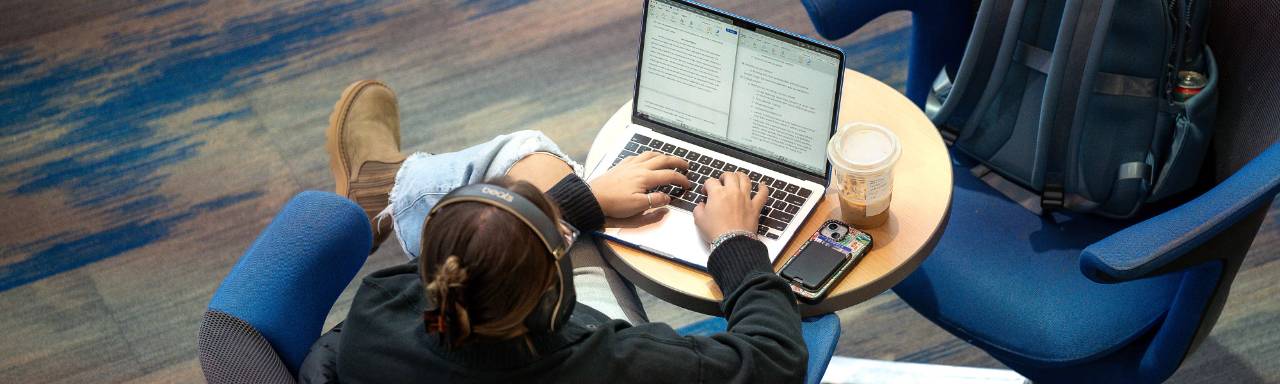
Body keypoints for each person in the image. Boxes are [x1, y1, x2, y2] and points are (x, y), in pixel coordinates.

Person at [299, 80, 806, 383]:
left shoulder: (381, 311)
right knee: (531, 152)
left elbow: (474, 275)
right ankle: (392, 185)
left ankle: (384, 186)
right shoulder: (606, 363)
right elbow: (773, 361)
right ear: (556, 293)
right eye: (559, 238)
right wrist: (735, 242)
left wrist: (585, 200)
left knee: (541, 167)